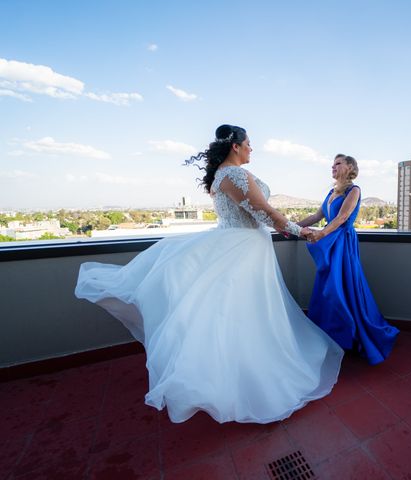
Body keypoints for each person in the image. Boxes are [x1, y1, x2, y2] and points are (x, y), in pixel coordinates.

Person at [75, 125, 343, 424]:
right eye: (249, 144)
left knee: (238, 314)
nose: (252, 149)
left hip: (243, 246)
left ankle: (239, 372)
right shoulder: (234, 175)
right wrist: (300, 231)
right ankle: (250, 383)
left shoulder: (220, 176)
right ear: (236, 147)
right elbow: (264, 212)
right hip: (243, 249)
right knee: (247, 313)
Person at [298, 154, 399, 365]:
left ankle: (352, 336)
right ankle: (330, 336)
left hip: (342, 243)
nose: (333, 167)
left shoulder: (354, 190)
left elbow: (342, 218)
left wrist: (321, 234)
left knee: (341, 287)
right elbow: (317, 217)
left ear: (350, 167)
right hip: (330, 243)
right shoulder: (331, 192)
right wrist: (292, 226)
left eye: (338, 164)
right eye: (332, 164)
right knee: (328, 288)